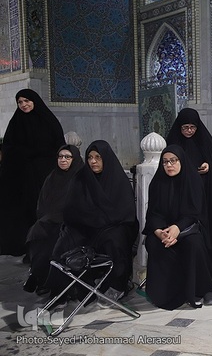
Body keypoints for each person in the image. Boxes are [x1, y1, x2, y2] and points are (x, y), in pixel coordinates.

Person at [47, 140, 138, 305]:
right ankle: (64, 290)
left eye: (98, 157)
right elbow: (71, 210)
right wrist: (91, 220)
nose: (93, 161)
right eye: (90, 157)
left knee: (116, 239)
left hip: (111, 228)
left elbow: (125, 214)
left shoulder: (118, 180)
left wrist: (100, 220)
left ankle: (116, 285)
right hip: (86, 227)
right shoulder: (81, 179)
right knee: (65, 239)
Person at [166, 108, 212, 283]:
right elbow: (168, 167)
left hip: (207, 196)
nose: (189, 131)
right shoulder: (173, 143)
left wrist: (209, 166)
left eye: (192, 127)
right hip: (185, 199)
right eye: (185, 127)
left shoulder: (204, 141)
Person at [144, 145, 212, 309]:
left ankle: (205, 289)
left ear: (181, 161)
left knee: (194, 244)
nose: (169, 165)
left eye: (173, 161)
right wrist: (159, 232)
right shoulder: (157, 183)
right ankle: (165, 293)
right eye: (165, 162)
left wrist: (177, 229)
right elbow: (152, 214)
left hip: (188, 228)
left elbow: (194, 213)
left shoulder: (192, 181)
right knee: (152, 243)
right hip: (164, 231)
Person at [0, 89, 65, 256]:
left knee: (45, 211)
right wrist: (24, 154)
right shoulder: (16, 123)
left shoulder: (48, 121)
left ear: (34, 101)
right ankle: (27, 248)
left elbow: (59, 146)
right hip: (23, 177)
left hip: (45, 175)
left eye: (26, 101)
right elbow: (9, 148)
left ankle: (46, 249)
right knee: (26, 212)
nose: (24, 105)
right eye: (20, 102)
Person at [23, 145, 84, 295]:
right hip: (50, 221)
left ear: (75, 159)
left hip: (71, 223)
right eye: (60, 156)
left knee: (53, 241)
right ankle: (39, 277)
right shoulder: (52, 178)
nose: (63, 160)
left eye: (67, 157)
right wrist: (46, 218)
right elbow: (42, 204)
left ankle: (47, 281)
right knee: (37, 233)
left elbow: (81, 206)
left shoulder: (81, 177)